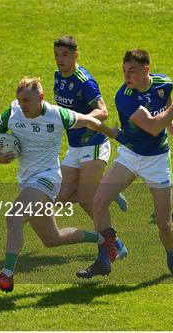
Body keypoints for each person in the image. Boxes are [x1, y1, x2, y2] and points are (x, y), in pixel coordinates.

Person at [0, 77, 116, 292]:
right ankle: (103, 239)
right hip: (27, 182)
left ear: (40, 98)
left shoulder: (57, 114)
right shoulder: (12, 113)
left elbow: (90, 121)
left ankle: (6, 276)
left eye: (27, 100)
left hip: (47, 178)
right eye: (20, 100)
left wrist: (115, 135)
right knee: (52, 238)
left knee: (14, 217)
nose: (23, 105)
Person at [76, 49, 173, 279]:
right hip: (131, 155)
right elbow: (152, 126)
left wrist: (172, 122)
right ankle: (104, 258)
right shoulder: (126, 97)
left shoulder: (163, 83)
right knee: (98, 201)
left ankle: (172, 260)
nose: (127, 77)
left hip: (158, 160)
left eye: (132, 71)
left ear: (146, 70)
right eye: (124, 72)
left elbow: (164, 103)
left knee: (163, 223)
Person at [52, 35, 128, 260]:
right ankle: (106, 188)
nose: (59, 60)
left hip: (93, 144)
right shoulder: (58, 76)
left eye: (65, 55)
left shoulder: (84, 81)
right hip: (75, 146)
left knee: (86, 199)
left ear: (76, 55)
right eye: (56, 54)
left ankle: (115, 244)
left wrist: (80, 118)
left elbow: (102, 112)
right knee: (61, 194)